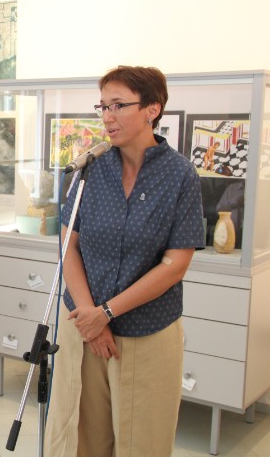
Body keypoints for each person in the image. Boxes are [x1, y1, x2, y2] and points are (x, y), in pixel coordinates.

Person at [44, 66, 204, 456]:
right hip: (83, 329)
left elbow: (174, 265)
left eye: (118, 105)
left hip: (147, 332)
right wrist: (90, 317)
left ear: (152, 109)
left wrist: (107, 313)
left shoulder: (179, 175)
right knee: (80, 438)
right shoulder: (90, 169)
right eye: (103, 106)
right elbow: (69, 245)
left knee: (142, 442)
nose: (107, 116)